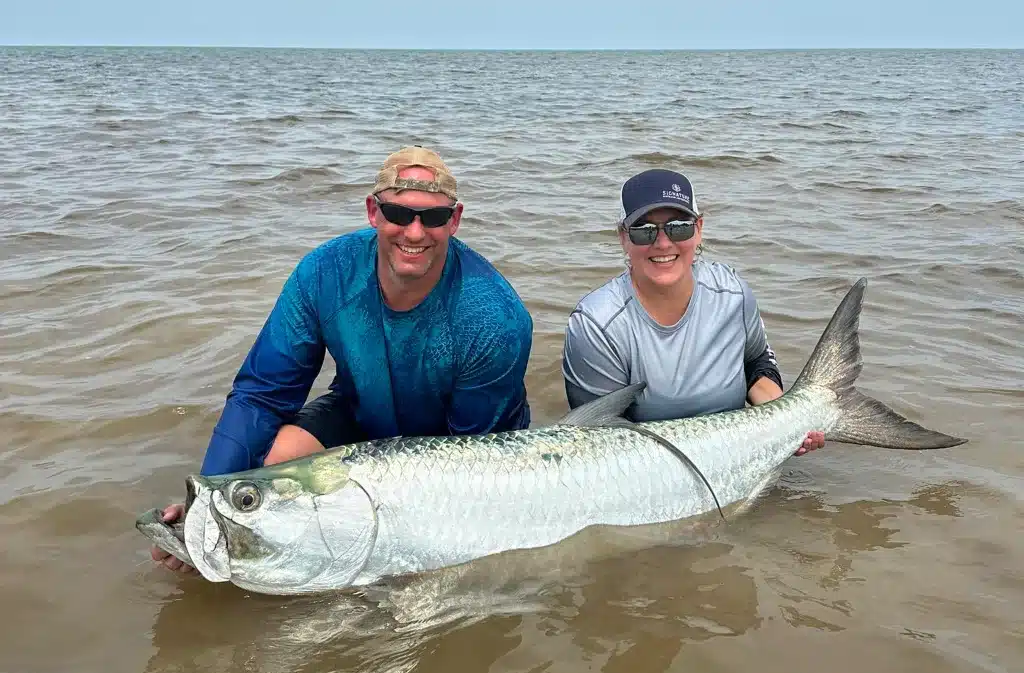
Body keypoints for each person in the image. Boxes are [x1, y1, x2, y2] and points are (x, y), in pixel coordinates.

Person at [153, 146, 533, 572]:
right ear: (373, 211)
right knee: (272, 468)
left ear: (455, 220)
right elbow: (261, 396)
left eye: (433, 217)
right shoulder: (324, 273)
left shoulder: (493, 318)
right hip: (363, 412)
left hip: (468, 447)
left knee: (440, 563)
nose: (414, 232)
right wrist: (208, 502)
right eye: (398, 213)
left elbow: (471, 465)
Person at [562, 167, 824, 454]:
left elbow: (756, 363)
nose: (662, 243)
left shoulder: (733, 293)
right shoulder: (596, 325)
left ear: (699, 229)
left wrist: (784, 421)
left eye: (679, 227)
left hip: (742, 454)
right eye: (644, 231)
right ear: (623, 237)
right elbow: (600, 446)